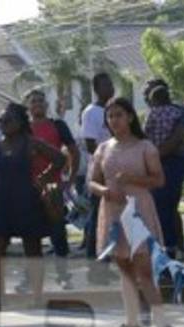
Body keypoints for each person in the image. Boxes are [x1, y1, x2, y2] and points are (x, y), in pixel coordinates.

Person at [90, 98, 183, 327]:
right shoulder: (103, 148)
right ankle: (131, 322)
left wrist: (132, 178)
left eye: (119, 115)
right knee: (125, 269)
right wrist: (105, 191)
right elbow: (92, 181)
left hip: (138, 210)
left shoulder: (145, 147)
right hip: (112, 210)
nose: (114, 120)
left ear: (130, 117)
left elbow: (159, 180)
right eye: (110, 116)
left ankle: (162, 324)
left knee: (144, 270)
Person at [0, 103, 65, 311]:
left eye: (8, 120)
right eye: (1, 121)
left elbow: (60, 158)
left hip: (27, 201)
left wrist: (43, 177)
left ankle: (37, 296)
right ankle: (1, 296)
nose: (4, 124)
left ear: (20, 123)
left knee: (33, 251)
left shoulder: (30, 143)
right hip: (2, 204)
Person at [24, 88, 77, 290]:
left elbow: (73, 150)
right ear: (28, 106)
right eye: (33, 101)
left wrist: (70, 179)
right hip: (29, 189)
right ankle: (31, 278)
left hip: (53, 188)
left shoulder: (57, 125)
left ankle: (63, 275)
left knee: (58, 233)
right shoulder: (23, 129)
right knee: (30, 235)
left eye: (40, 100)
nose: (37, 104)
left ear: (46, 105)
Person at [144, 81, 184, 260]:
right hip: (175, 161)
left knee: (159, 205)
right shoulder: (178, 113)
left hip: (157, 160)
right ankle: (172, 245)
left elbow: (146, 133)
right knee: (172, 205)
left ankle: (164, 244)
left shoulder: (152, 114)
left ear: (154, 100)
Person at [80, 72, 115, 268]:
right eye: (105, 85)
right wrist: (107, 161)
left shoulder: (115, 109)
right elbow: (90, 143)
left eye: (111, 84)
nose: (110, 88)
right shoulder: (91, 112)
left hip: (117, 170)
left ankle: (110, 253)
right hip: (100, 171)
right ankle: (94, 257)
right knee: (97, 215)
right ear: (96, 89)